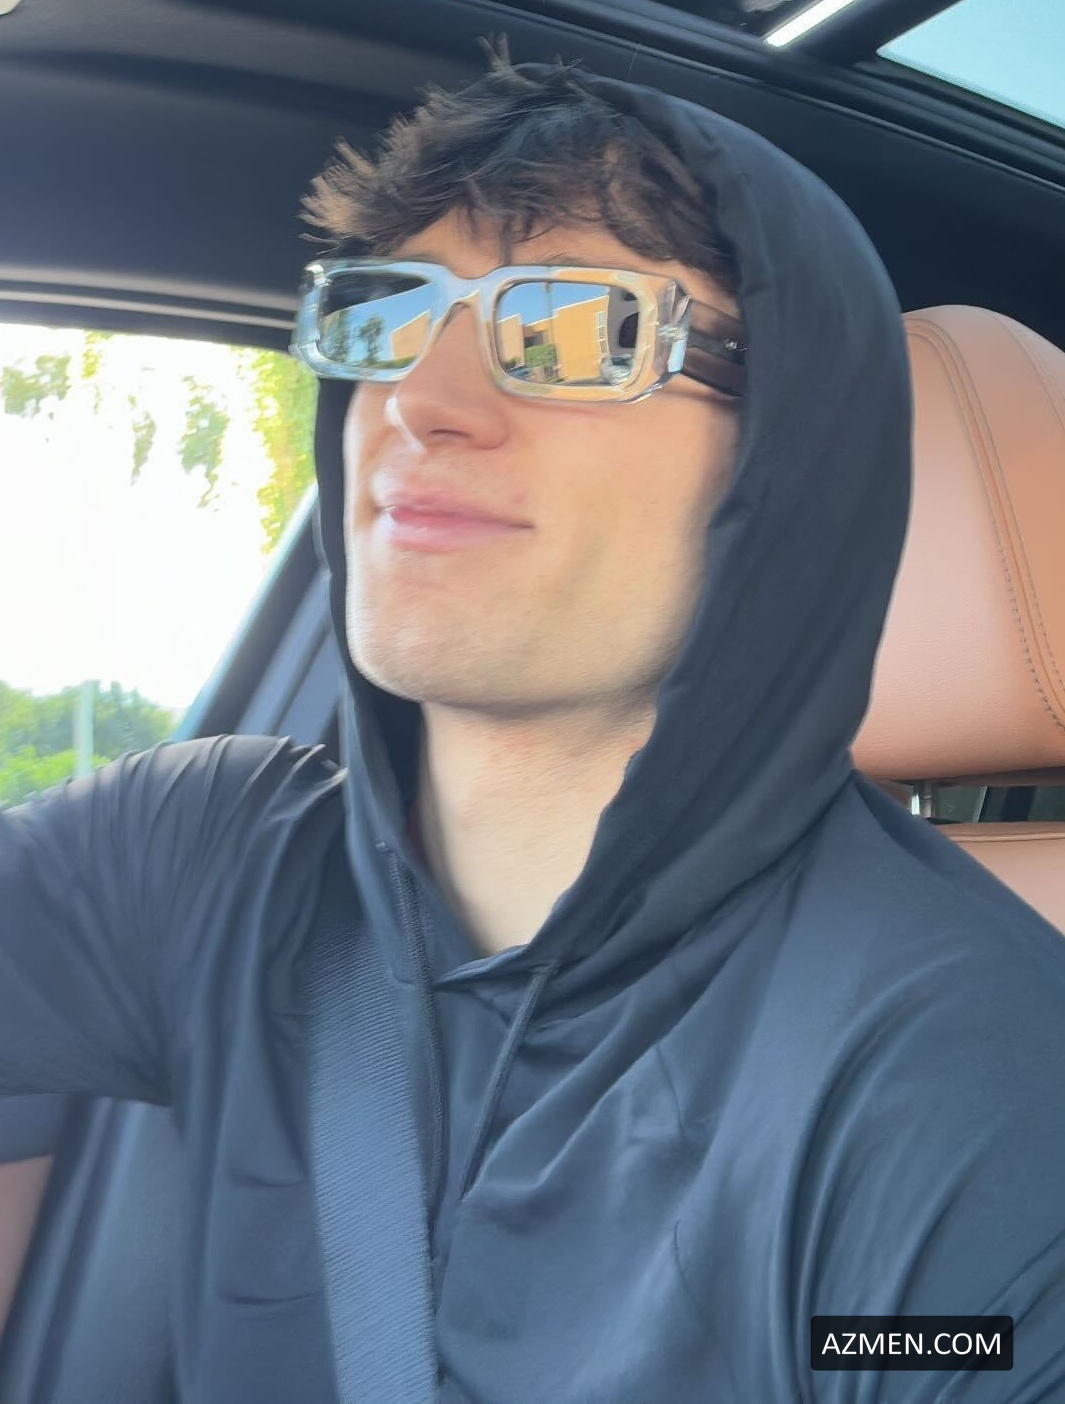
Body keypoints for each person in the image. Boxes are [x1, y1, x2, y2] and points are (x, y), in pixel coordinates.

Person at [2, 51, 1065, 1403]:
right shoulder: (207, 850)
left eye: (571, 327)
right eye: (388, 315)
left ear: (791, 458)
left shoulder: (970, 1091)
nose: (420, 403)